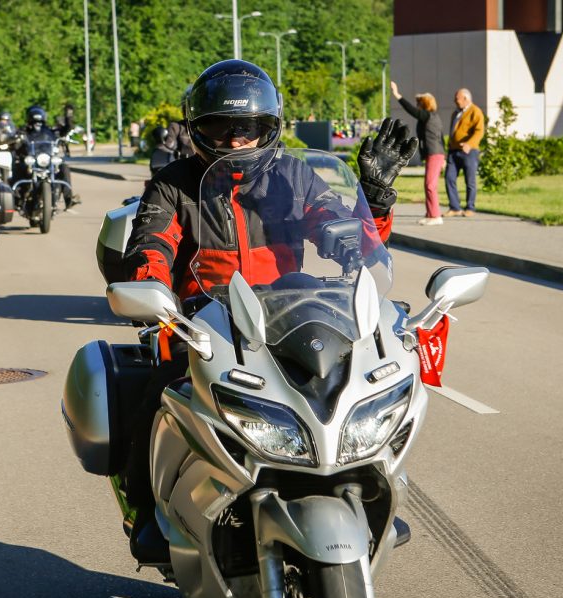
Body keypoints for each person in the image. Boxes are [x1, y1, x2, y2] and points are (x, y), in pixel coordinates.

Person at [120, 59, 416, 563]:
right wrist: (149, 288)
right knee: (158, 392)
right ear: (198, 129)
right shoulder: (173, 183)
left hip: (289, 312)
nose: (235, 140)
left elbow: (342, 228)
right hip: (208, 320)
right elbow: (152, 242)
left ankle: (366, 486)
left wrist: (374, 198)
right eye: (220, 127)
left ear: (269, 128)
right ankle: (148, 510)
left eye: (248, 128)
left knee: (354, 388)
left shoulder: (293, 175)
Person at [391, 81, 445, 225]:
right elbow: (441, 136)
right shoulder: (434, 117)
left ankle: (435, 216)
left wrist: (397, 95)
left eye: (419, 103)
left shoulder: (427, 116)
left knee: (430, 185)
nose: (417, 105)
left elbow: (411, 111)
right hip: (434, 154)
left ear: (424, 104)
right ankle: (430, 214)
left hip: (434, 153)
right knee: (428, 184)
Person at [12, 105, 79, 208]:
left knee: (64, 167)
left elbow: (64, 130)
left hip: (46, 159)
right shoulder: (24, 131)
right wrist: (16, 139)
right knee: (18, 166)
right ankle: (17, 197)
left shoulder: (49, 130)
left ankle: (68, 199)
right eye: (35, 122)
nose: (37, 125)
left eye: (39, 122)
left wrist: (68, 117)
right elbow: (15, 138)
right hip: (32, 160)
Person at [444, 88, 485, 217]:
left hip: (469, 151)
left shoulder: (475, 111)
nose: (455, 101)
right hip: (453, 151)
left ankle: (470, 208)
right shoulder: (455, 113)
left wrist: (469, 144)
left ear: (466, 99)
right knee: (449, 178)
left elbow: (479, 131)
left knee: (470, 180)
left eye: (457, 99)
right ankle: (455, 207)